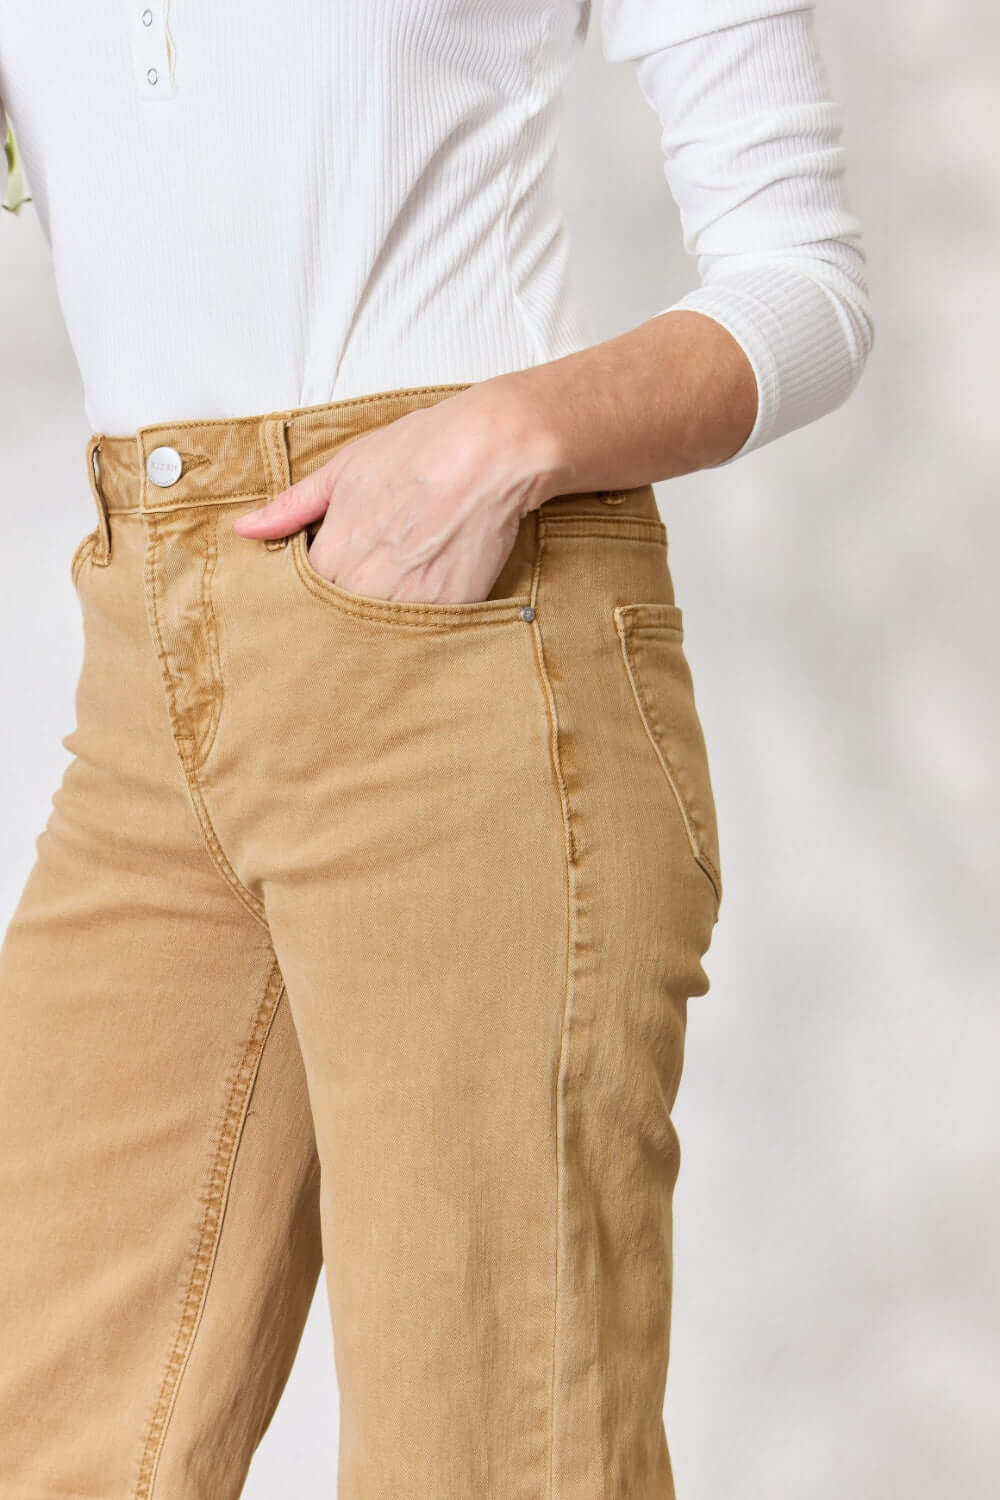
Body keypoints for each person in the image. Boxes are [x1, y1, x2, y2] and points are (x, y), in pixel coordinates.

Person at [0, 2, 873, 1496]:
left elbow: (809, 280)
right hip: (146, 668)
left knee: (486, 1454)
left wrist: (496, 441)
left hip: (465, 648)